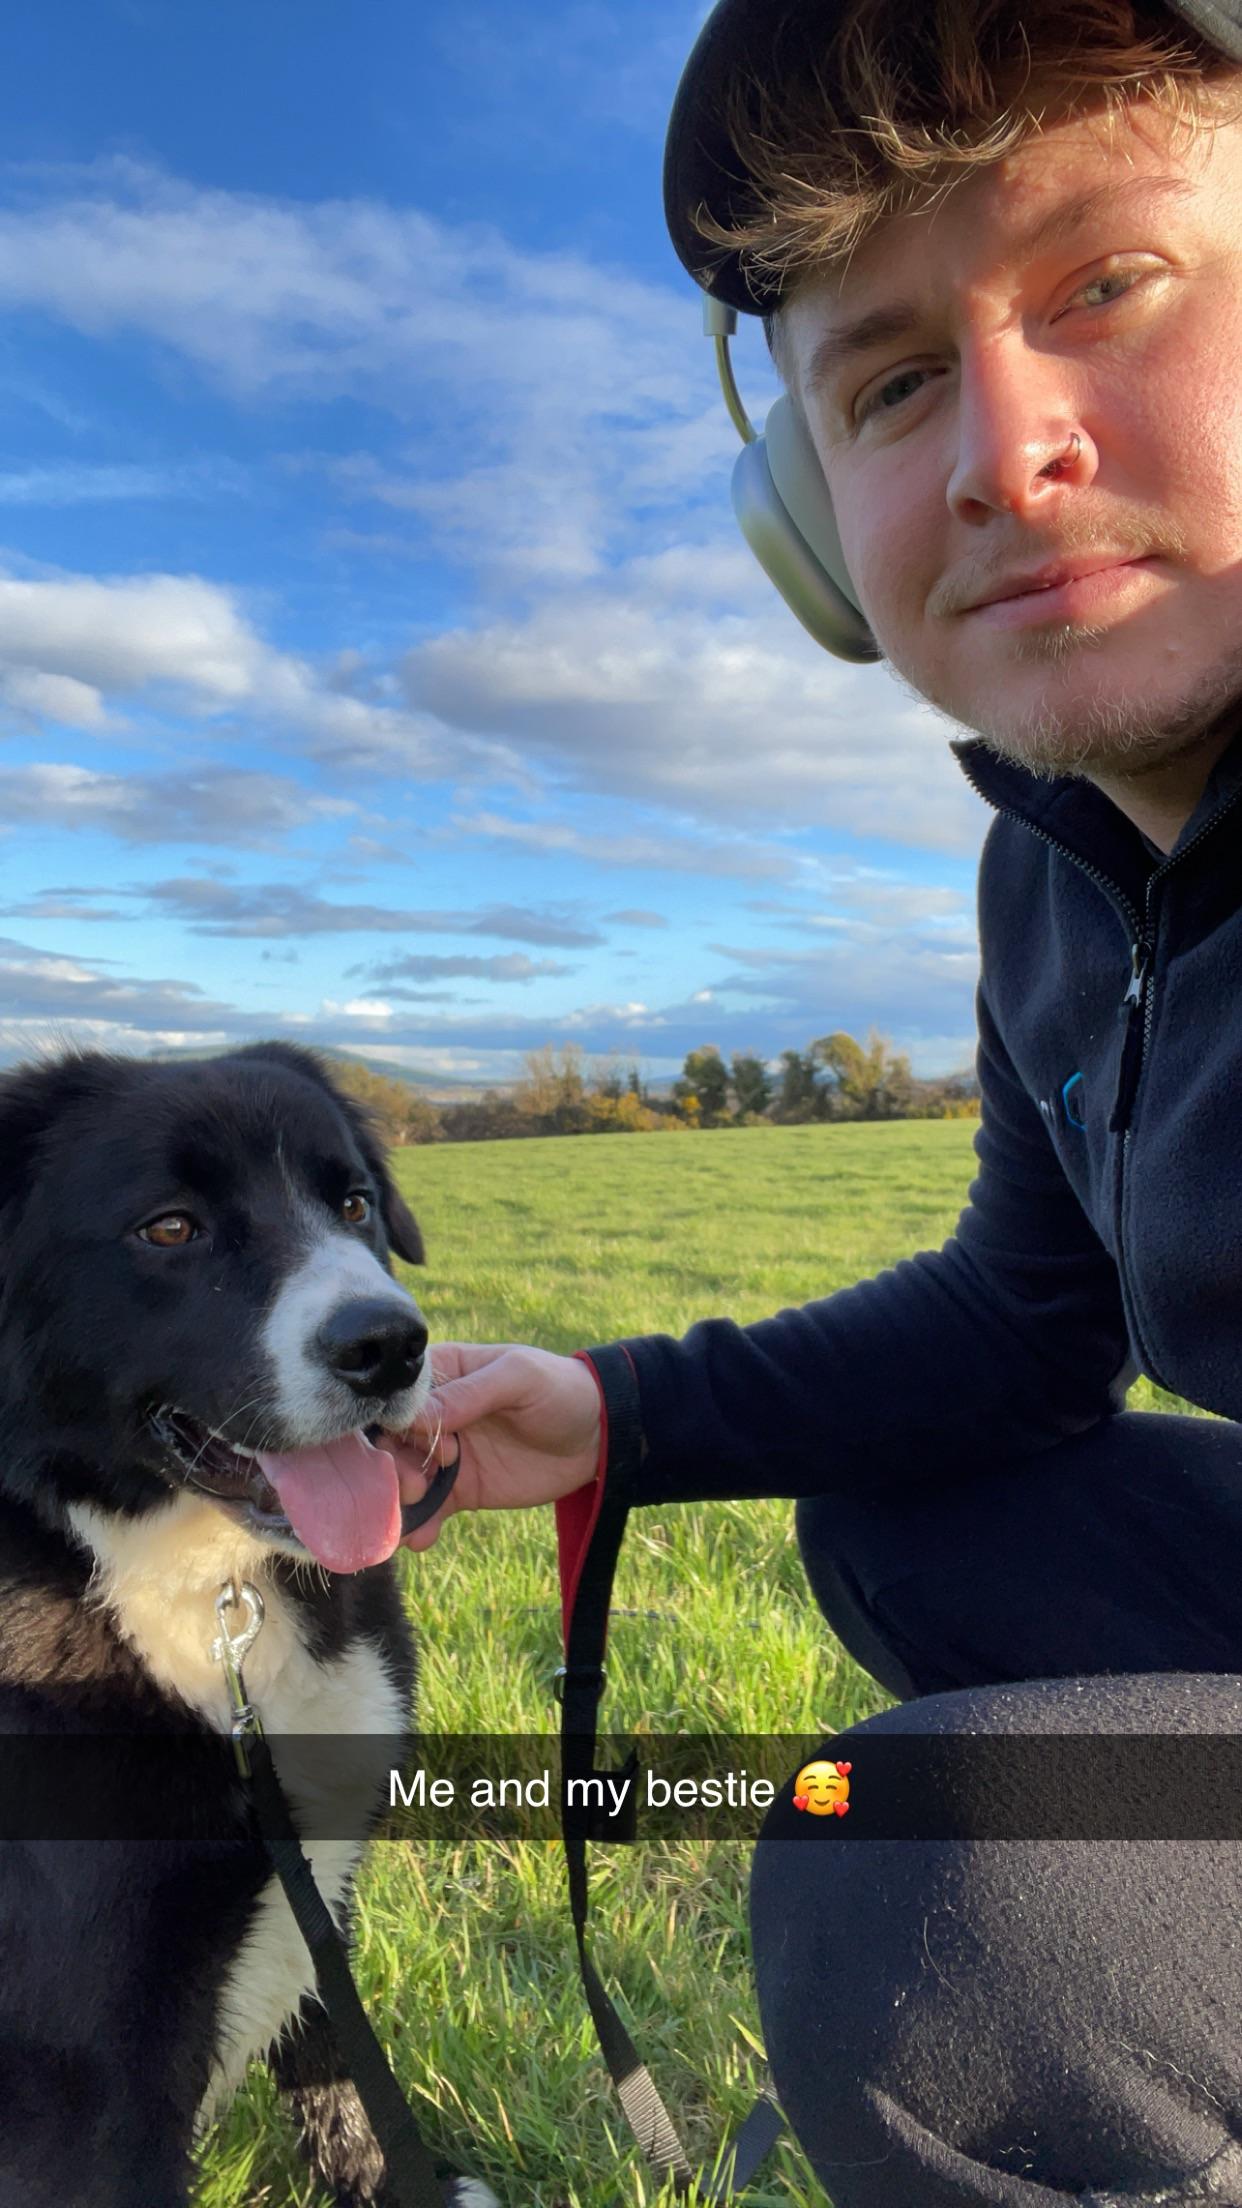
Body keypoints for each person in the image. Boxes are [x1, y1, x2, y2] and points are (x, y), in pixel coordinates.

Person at [394, 2, 1242, 2199]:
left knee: (953, 1899)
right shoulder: (1058, 874)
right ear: (809, 527)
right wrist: (617, 1410)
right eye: (886, 386)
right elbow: (1020, 1331)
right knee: (915, 1513)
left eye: (1106, 285)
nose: (999, 453)